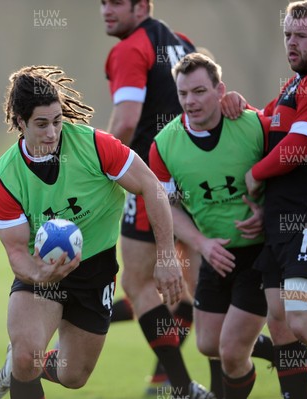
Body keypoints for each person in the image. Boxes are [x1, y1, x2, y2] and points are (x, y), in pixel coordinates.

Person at [0, 65, 213, 399]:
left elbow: (152, 187)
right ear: (20, 122)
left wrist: (166, 257)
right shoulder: (6, 177)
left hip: (95, 270)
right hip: (41, 272)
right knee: (26, 356)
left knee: (74, 375)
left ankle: (17, 367)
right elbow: (16, 250)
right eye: (41, 124)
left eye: (57, 121)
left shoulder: (94, 146)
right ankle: (18, 365)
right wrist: (40, 272)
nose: (52, 132)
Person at [222, 1, 307, 397]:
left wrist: (255, 174)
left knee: (304, 319)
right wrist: (238, 106)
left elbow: (299, 144)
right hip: (283, 224)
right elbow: (266, 125)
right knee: (281, 324)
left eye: (301, 36)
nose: (291, 44)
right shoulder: (298, 84)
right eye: (287, 35)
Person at [151, 52, 272, 399]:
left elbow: (290, 178)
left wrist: (266, 212)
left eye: (200, 91)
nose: (190, 101)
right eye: (183, 93)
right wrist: (201, 244)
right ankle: (278, 350)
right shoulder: (164, 145)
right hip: (214, 255)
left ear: (220, 90)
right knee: (208, 344)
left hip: (262, 254)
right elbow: (166, 208)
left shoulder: (253, 125)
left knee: (232, 353)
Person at [100, 0, 199, 393]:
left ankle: (179, 384)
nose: (107, 10)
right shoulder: (182, 42)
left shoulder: (129, 48)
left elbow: (125, 121)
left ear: (142, 6)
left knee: (139, 286)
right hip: (194, 180)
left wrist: (101, 170)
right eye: (102, 3)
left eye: (117, 3)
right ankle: (167, 378)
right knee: (193, 292)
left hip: (151, 181)